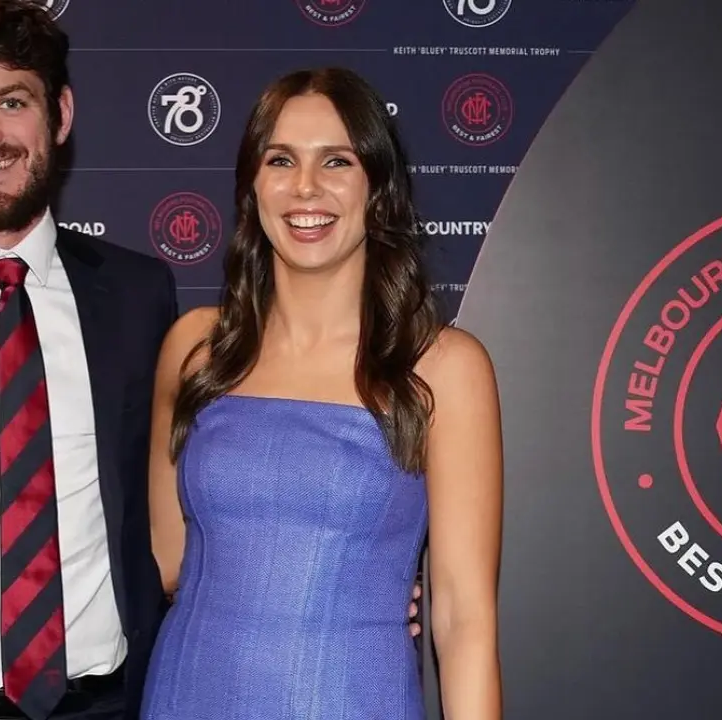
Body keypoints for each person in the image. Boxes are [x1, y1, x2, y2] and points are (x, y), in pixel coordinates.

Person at [0, 0, 424, 717]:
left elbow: (181, 522)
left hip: (110, 703)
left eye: (10, 102)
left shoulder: (135, 296)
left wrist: (353, 583)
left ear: (59, 114)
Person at [143, 67, 503, 719]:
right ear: (252, 186)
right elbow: (165, 566)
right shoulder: (195, 351)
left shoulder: (445, 370)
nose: (305, 187)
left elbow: (463, 621)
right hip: (187, 695)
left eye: (336, 160)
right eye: (281, 160)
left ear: (377, 187)